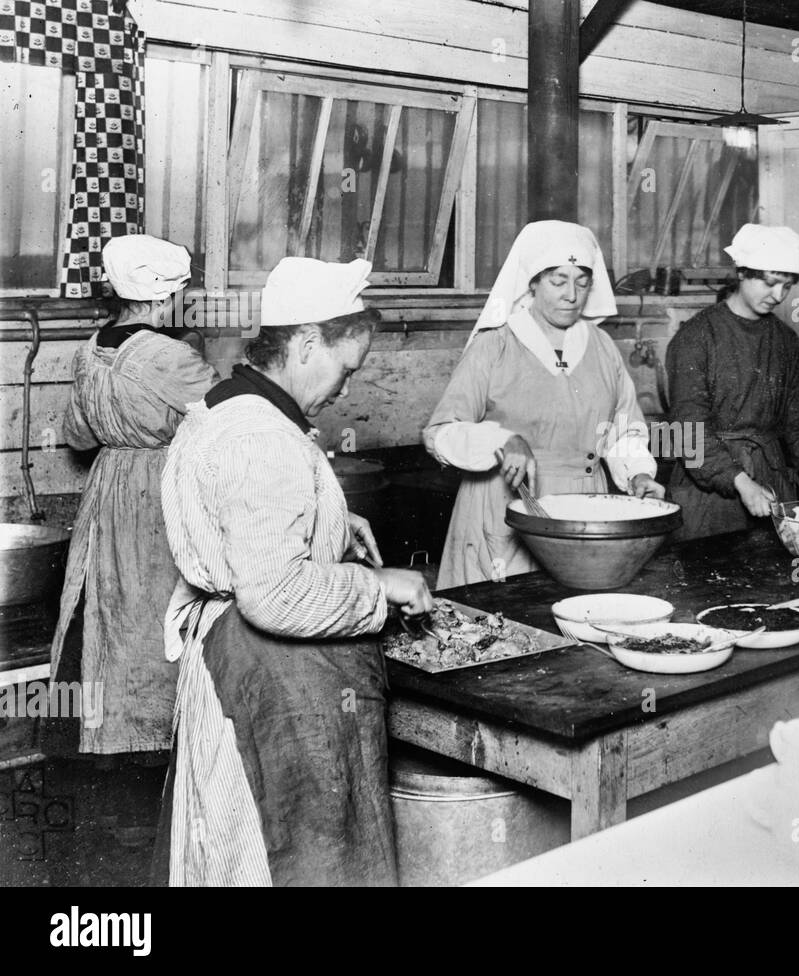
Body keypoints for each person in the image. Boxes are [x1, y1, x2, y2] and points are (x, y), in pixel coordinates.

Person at [161, 256, 435, 886]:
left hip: (236, 660)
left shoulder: (229, 404)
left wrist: (331, 525)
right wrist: (378, 585)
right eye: (346, 368)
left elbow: (251, 524)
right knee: (283, 852)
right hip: (265, 675)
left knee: (238, 848)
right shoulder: (260, 438)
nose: (346, 388)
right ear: (308, 341)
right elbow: (275, 594)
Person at [424, 221, 666, 590]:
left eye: (582, 281)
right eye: (558, 280)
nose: (571, 294)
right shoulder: (494, 346)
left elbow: (622, 431)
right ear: (532, 282)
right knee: (503, 626)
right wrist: (500, 441)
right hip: (505, 507)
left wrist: (638, 474)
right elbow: (440, 433)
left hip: (582, 513)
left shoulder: (602, 348)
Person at [48, 234, 218, 758]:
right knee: (155, 613)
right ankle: (155, 741)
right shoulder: (172, 356)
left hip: (106, 490)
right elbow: (231, 421)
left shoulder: (90, 350)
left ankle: (102, 735)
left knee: (104, 607)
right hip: (161, 492)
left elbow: (77, 434)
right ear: (166, 296)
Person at [665, 223, 799, 540]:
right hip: (710, 493)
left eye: (787, 287)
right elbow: (688, 431)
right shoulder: (696, 337)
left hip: (771, 483)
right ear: (741, 273)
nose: (778, 296)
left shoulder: (784, 340)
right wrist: (741, 482)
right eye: (770, 284)